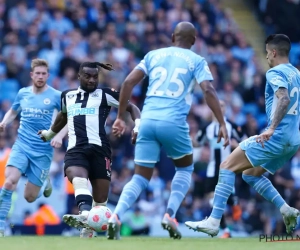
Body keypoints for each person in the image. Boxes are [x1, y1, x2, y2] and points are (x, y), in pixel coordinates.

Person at [109, 21, 229, 240]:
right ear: (193, 41)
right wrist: (221, 122)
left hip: (146, 120)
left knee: (140, 177)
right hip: (173, 121)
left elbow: (127, 82)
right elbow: (208, 89)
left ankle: (115, 216)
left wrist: (119, 117)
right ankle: (170, 215)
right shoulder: (197, 60)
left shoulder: (153, 55)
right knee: (184, 170)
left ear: (172, 37)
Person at [185, 34, 300, 237]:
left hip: (277, 136)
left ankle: (214, 221)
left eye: (266, 53)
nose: (266, 57)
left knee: (227, 166)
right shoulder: (297, 75)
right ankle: (286, 210)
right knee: (249, 174)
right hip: (293, 140)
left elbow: (283, 99)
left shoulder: (275, 72)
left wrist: (272, 127)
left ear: (273, 52)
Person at [39, 61, 141, 238]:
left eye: (95, 76)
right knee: (78, 177)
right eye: (88, 76)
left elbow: (132, 108)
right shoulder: (67, 96)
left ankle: (90, 226)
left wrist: (137, 126)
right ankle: (85, 215)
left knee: (100, 201)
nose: (92, 80)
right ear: (79, 76)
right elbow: (63, 116)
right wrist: (49, 134)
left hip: (100, 150)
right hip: (76, 148)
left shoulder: (106, 94)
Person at [0, 59, 67, 237]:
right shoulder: (23, 93)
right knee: (9, 182)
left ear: (48, 75)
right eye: (37, 73)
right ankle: (0, 224)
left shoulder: (56, 96)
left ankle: (44, 182)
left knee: (29, 197)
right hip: (22, 145)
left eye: (43, 73)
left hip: (42, 152)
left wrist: (59, 136)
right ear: (31, 75)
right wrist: (4, 122)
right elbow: (13, 111)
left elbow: (68, 118)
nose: (40, 76)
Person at [194, 100, 244, 238]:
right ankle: (226, 230)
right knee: (213, 201)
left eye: (222, 105)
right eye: (217, 105)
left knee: (225, 197)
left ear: (226, 109)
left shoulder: (232, 126)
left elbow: (246, 142)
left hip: (228, 167)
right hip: (212, 169)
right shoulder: (207, 128)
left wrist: (237, 145)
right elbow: (197, 142)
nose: (219, 107)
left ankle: (235, 203)